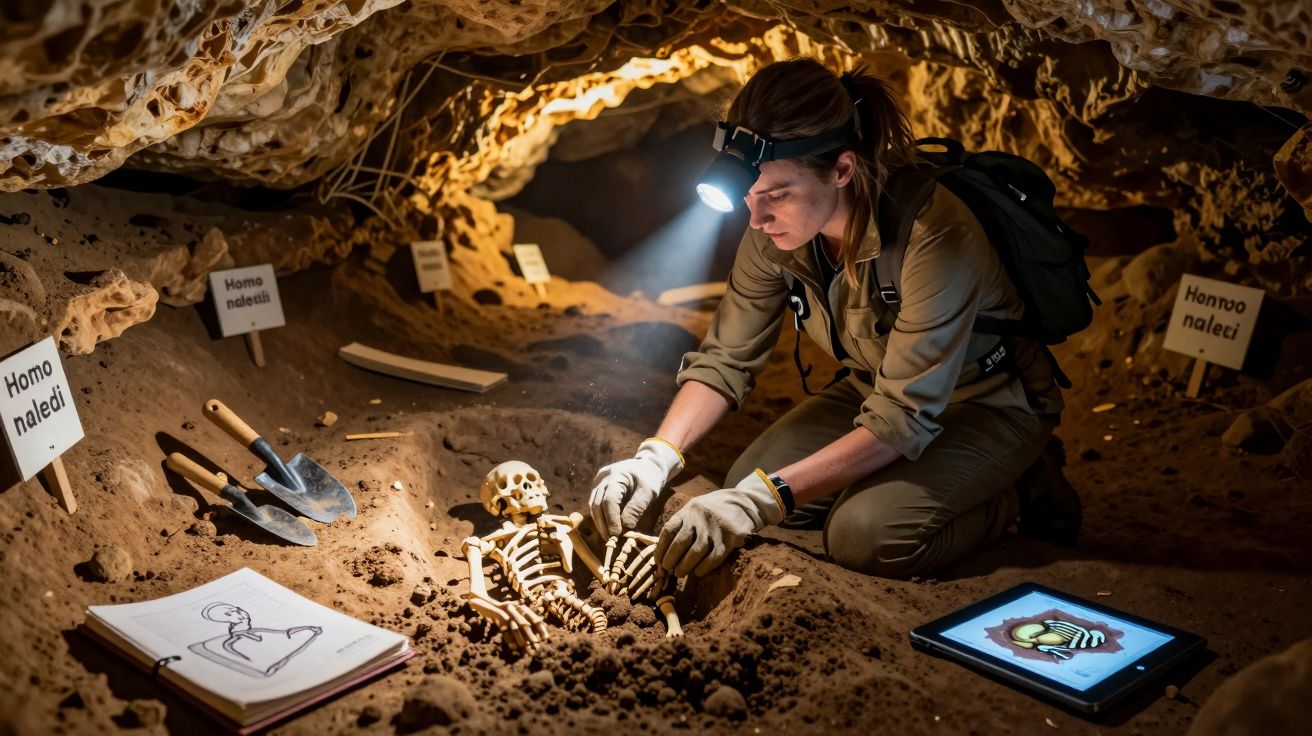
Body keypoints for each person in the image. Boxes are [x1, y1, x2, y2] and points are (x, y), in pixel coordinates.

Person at [589, 58, 1078, 581]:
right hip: (874, 388)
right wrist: (656, 457)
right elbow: (724, 360)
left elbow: (903, 418)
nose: (757, 219)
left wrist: (758, 502)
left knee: (864, 536)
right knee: (745, 479)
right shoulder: (771, 230)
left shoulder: (934, 238)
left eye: (778, 196)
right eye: (748, 198)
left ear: (842, 170)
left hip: (988, 402)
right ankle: (885, 481)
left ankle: (1019, 491)